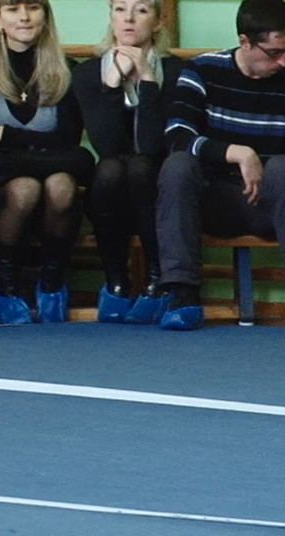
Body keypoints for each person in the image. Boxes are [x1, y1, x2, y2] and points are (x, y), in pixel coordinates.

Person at [154, 0, 285, 331]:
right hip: (210, 202)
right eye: (274, 52)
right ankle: (182, 294)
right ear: (245, 42)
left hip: (269, 207)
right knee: (177, 166)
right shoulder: (202, 70)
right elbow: (176, 136)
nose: (283, 60)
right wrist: (237, 153)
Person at [0, 0, 93, 326]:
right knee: (25, 189)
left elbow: (72, 149)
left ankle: (51, 280)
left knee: (62, 185)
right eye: (12, 9)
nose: (24, 17)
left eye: (33, 7)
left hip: (52, 203)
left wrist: (7, 138)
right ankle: (4, 284)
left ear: (45, 17)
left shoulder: (67, 69)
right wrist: (41, 152)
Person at [73, 0, 183, 324]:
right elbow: (108, 146)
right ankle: (116, 280)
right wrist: (111, 84)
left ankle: (158, 279)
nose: (129, 19)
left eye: (141, 10)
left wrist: (147, 80)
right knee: (109, 168)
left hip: (158, 188)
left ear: (158, 21)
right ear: (111, 17)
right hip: (112, 195)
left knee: (140, 166)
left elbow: (151, 145)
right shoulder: (87, 72)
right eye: (120, 9)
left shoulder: (176, 71)